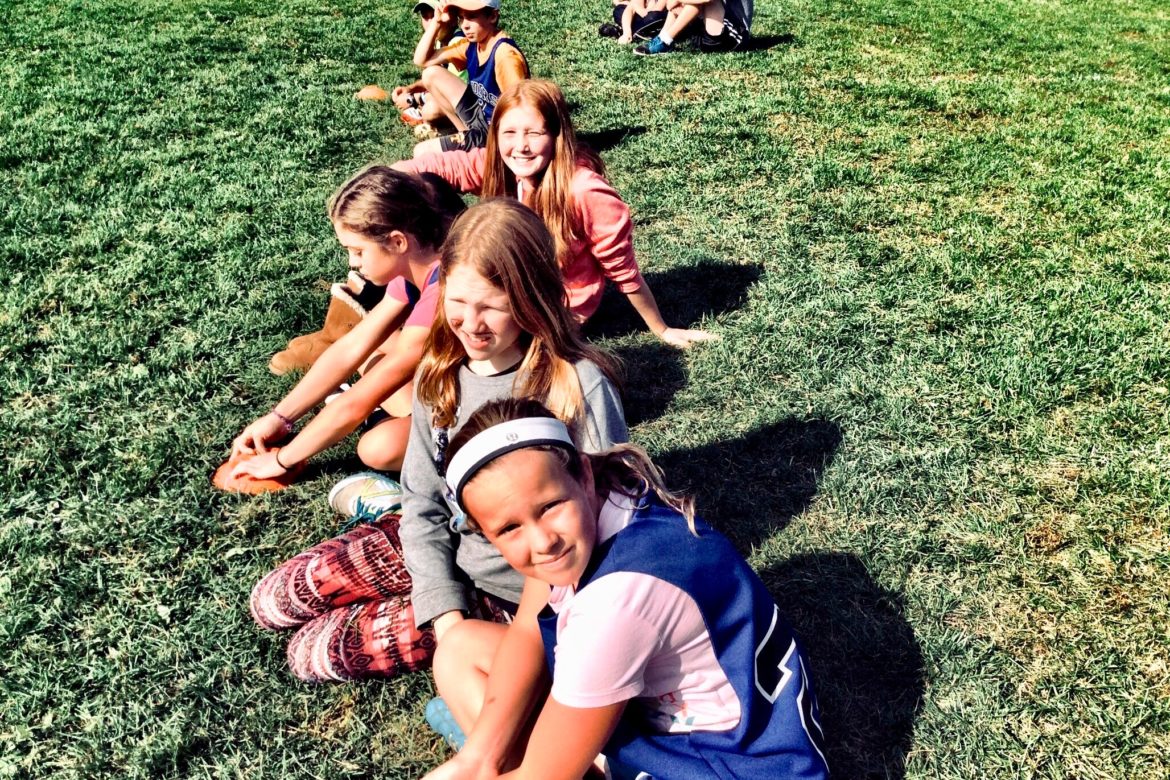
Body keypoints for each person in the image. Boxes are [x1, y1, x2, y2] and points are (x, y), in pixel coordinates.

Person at [247, 199, 628, 682]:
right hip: (438, 546)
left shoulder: (576, 385)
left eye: (492, 305)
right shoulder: (440, 375)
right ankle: (386, 513)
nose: (471, 323)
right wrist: (443, 611)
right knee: (273, 601)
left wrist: (469, 635)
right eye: (458, 303)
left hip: (517, 591)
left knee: (313, 654)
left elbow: (611, 528)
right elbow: (424, 500)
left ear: (532, 296)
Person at [422, 398, 831, 779]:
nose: (543, 541)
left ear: (582, 474)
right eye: (509, 528)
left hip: (726, 764)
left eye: (548, 507)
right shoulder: (613, 488)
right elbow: (529, 627)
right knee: (461, 648)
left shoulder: (616, 603)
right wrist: (478, 756)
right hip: (718, 722)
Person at [396, 79, 719, 348]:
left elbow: (622, 269)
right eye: (509, 133)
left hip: (557, 308)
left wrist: (660, 328)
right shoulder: (504, 168)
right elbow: (448, 166)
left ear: (556, 135)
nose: (520, 146)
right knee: (433, 287)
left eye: (534, 133)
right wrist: (391, 177)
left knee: (447, 322)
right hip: (506, 287)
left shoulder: (583, 190)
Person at [229, 166, 464, 481]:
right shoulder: (416, 265)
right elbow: (351, 347)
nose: (352, 263)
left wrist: (283, 460)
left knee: (378, 447)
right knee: (373, 346)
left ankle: (395, 424)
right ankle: (402, 417)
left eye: (357, 251)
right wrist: (280, 418)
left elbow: (362, 399)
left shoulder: (447, 287)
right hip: (454, 382)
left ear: (397, 242)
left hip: (494, 408)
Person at [409, 0, 529, 156]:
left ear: (492, 16)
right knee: (430, 73)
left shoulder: (504, 56)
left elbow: (520, 112)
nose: (464, 25)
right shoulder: (471, 45)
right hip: (480, 118)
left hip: (496, 133)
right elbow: (422, 60)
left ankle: (478, 151)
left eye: (471, 17)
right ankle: (465, 134)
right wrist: (436, 23)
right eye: (461, 17)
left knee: (421, 151)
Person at [634, 0, 753, 55]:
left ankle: (665, 41)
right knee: (686, 3)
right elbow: (670, 5)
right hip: (706, 36)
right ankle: (663, 38)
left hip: (733, 35)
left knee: (701, 1)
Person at [599, 0, 668, 44]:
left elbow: (652, 13)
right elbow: (630, 9)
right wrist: (627, 33)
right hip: (644, 21)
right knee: (619, 10)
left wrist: (634, 6)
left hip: (659, 20)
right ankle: (637, 33)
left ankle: (621, 32)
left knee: (654, 17)